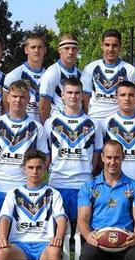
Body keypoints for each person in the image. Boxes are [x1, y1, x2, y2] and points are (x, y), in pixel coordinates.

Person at [0, 81, 49, 215]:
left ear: (29, 100)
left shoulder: (37, 128)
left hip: (25, 187)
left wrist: (30, 179)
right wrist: (0, 174)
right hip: (0, 187)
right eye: (14, 96)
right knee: (0, 232)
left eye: (22, 97)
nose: (18, 100)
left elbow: (45, 159)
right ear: (7, 97)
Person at [44, 78, 102, 225]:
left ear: (82, 95)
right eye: (69, 92)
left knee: (82, 226)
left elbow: (96, 153)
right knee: (58, 227)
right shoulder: (51, 123)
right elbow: (47, 153)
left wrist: (88, 171)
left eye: (77, 93)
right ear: (62, 95)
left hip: (83, 183)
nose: (73, 96)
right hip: (58, 181)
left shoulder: (94, 123)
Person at [81, 29, 135, 125]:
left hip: (118, 122)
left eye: (114, 45)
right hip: (95, 119)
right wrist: (87, 119)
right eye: (107, 45)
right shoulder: (90, 68)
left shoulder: (130, 70)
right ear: (101, 45)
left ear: (120, 47)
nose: (110, 49)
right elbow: (85, 97)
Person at [3, 33, 48, 122]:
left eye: (40, 47)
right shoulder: (14, 75)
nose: (36, 50)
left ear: (45, 50)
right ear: (26, 50)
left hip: (42, 127)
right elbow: (6, 105)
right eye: (33, 47)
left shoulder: (49, 75)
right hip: (21, 126)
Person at [39, 34, 82, 122]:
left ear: (77, 50)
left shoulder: (80, 73)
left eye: (73, 48)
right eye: (66, 48)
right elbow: (43, 105)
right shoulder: (52, 72)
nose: (70, 52)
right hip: (58, 123)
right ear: (59, 50)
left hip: (78, 121)